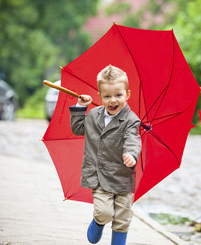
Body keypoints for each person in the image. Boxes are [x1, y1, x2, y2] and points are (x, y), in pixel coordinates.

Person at [69, 64, 142, 245]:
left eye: (118, 95)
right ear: (100, 96)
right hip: (100, 176)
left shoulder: (131, 120)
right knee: (104, 212)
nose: (112, 101)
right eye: (107, 96)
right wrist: (80, 107)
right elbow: (78, 128)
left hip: (123, 177)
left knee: (122, 218)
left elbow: (133, 138)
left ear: (127, 94)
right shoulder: (94, 115)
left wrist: (131, 154)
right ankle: (98, 222)